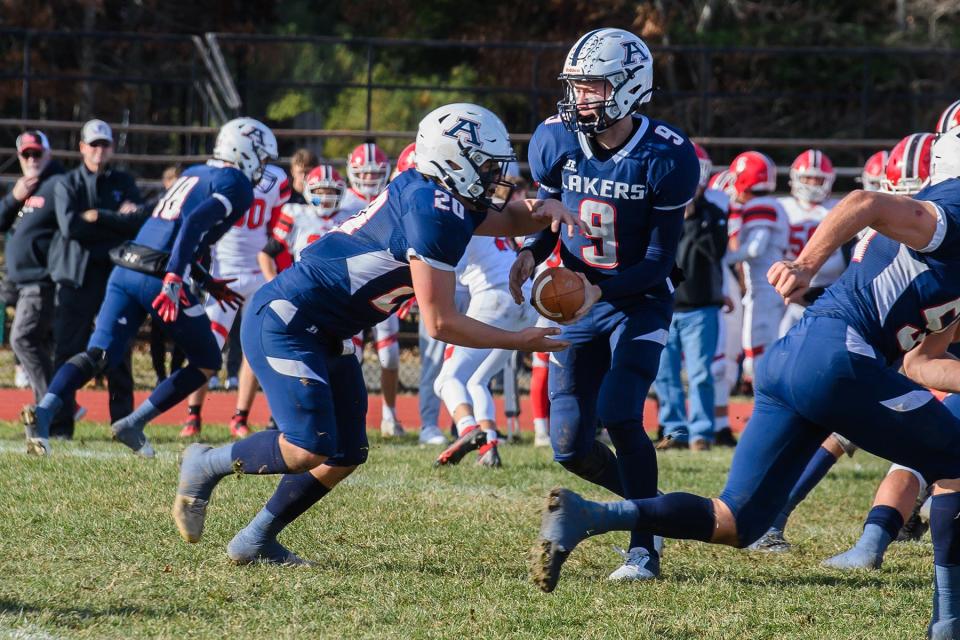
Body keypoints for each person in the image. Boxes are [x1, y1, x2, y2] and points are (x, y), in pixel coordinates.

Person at [529, 128, 960, 640]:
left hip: (800, 358)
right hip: (835, 356)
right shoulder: (950, 208)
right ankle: (948, 622)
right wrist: (804, 263)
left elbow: (922, 362)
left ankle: (590, 516)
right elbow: (864, 200)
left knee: (736, 521)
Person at [171, 102, 582, 566]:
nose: (493, 175)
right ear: (454, 159)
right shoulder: (434, 212)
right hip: (287, 318)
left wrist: (543, 209)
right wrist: (519, 339)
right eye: (486, 165)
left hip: (329, 328)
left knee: (345, 452)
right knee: (308, 447)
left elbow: (507, 219)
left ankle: (256, 538)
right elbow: (440, 322)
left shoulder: (440, 195)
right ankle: (206, 464)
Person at [508, 28, 699, 582]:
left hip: (638, 298)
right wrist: (530, 249)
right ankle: (655, 507)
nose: (580, 97)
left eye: (593, 86)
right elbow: (551, 218)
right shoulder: (554, 140)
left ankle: (643, 547)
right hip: (577, 301)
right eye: (577, 85)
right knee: (568, 448)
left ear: (631, 87)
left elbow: (661, 259)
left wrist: (600, 290)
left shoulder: (667, 154)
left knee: (619, 413)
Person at [21, 117, 275, 457]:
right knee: (206, 359)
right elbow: (194, 224)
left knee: (97, 354)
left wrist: (205, 280)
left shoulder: (194, 172)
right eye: (261, 156)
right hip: (159, 276)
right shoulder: (237, 184)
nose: (263, 165)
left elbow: (171, 230)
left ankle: (44, 412)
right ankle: (133, 423)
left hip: (127, 267)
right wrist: (175, 276)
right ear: (243, 151)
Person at [749, 133, 937, 553]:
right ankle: (877, 537)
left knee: (851, 433)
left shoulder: (901, 218)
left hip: (894, 339)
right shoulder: (922, 221)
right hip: (893, 341)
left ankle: (791, 519)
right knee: (926, 439)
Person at [49, 119, 145, 440]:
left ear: (112, 147)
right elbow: (71, 228)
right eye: (93, 144)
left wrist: (100, 216)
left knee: (117, 349)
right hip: (76, 279)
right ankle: (61, 426)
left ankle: (123, 425)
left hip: (114, 277)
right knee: (68, 350)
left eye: (104, 144)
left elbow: (137, 224)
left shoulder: (124, 181)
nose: (99, 150)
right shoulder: (67, 183)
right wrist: (117, 220)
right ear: (82, 148)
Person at [179, 163, 290, 439]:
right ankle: (193, 415)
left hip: (257, 273)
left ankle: (240, 417)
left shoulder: (275, 178)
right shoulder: (219, 175)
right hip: (222, 273)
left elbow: (278, 228)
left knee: (253, 346)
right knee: (208, 345)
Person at [433, 183, 538, 467]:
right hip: (525, 299)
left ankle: (468, 429)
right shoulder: (487, 210)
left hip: (495, 297)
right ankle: (489, 447)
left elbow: (450, 266)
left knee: (446, 379)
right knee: (478, 379)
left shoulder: (459, 211)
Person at [653, 143, 728, 451]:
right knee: (665, 374)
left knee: (699, 374)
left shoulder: (713, 212)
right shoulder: (658, 209)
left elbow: (716, 252)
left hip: (701, 306)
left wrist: (692, 220)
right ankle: (674, 431)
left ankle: (701, 433)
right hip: (663, 303)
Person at [341, 142, 406, 437]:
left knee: (390, 355)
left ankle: (390, 416)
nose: (368, 180)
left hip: (384, 285)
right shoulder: (340, 203)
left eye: (374, 174)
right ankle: (352, 417)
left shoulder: (391, 196)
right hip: (352, 287)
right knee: (350, 355)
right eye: (363, 174)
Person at [0, 130, 64, 404]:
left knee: (23, 339)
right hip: (18, 280)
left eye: (37, 153)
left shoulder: (58, 183)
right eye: (26, 154)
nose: (32, 159)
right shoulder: (21, 188)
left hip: (41, 278)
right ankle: (61, 405)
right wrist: (14, 198)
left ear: (47, 154)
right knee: (37, 342)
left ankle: (52, 405)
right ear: (19, 157)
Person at [723, 151, 787, 383]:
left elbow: (755, 248)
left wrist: (724, 258)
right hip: (764, 285)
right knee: (756, 347)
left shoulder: (762, 205)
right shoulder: (768, 203)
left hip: (766, 287)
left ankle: (765, 401)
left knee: (759, 347)